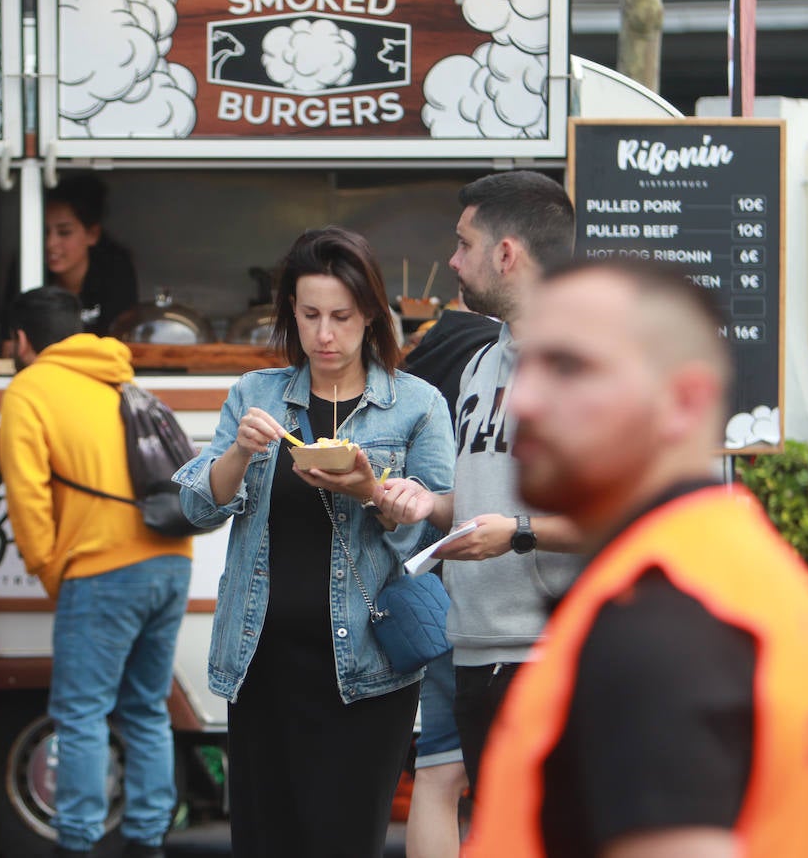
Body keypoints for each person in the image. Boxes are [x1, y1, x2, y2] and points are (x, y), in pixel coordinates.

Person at [464, 258, 808, 857]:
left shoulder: (659, 625)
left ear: (683, 400)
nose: (522, 398)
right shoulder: (742, 572)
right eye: (527, 366)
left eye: (570, 367)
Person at [174, 226, 455, 858]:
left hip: (367, 670)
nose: (324, 334)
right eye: (309, 315)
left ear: (371, 317)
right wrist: (241, 454)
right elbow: (196, 506)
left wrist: (367, 490)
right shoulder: (257, 394)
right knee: (265, 839)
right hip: (261, 661)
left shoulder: (415, 405)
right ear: (290, 315)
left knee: (342, 840)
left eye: (341, 316)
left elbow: (436, 528)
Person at [372, 171, 584, 794]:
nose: (452, 259)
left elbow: (628, 518)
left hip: (552, 658)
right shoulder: (484, 362)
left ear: (506, 253)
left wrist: (516, 534)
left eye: (464, 244)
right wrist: (426, 504)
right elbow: (481, 504)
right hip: (475, 649)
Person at [0, 286, 192, 857]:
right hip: (171, 558)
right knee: (145, 706)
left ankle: (77, 841)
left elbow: (27, 496)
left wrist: (52, 571)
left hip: (103, 568)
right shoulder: (120, 377)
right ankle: (148, 840)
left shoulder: (30, 388)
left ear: (24, 341)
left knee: (81, 711)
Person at [399, 299, 501, 858]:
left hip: (427, 576)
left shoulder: (418, 362)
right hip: (485, 579)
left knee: (439, 770)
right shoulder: (492, 356)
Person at [43, 173, 138, 335]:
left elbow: (120, 345)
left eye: (64, 232)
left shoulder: (115, 273)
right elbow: (10, 347)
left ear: (92, 234)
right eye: (44, 232)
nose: (50, 243)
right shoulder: (27, 267)